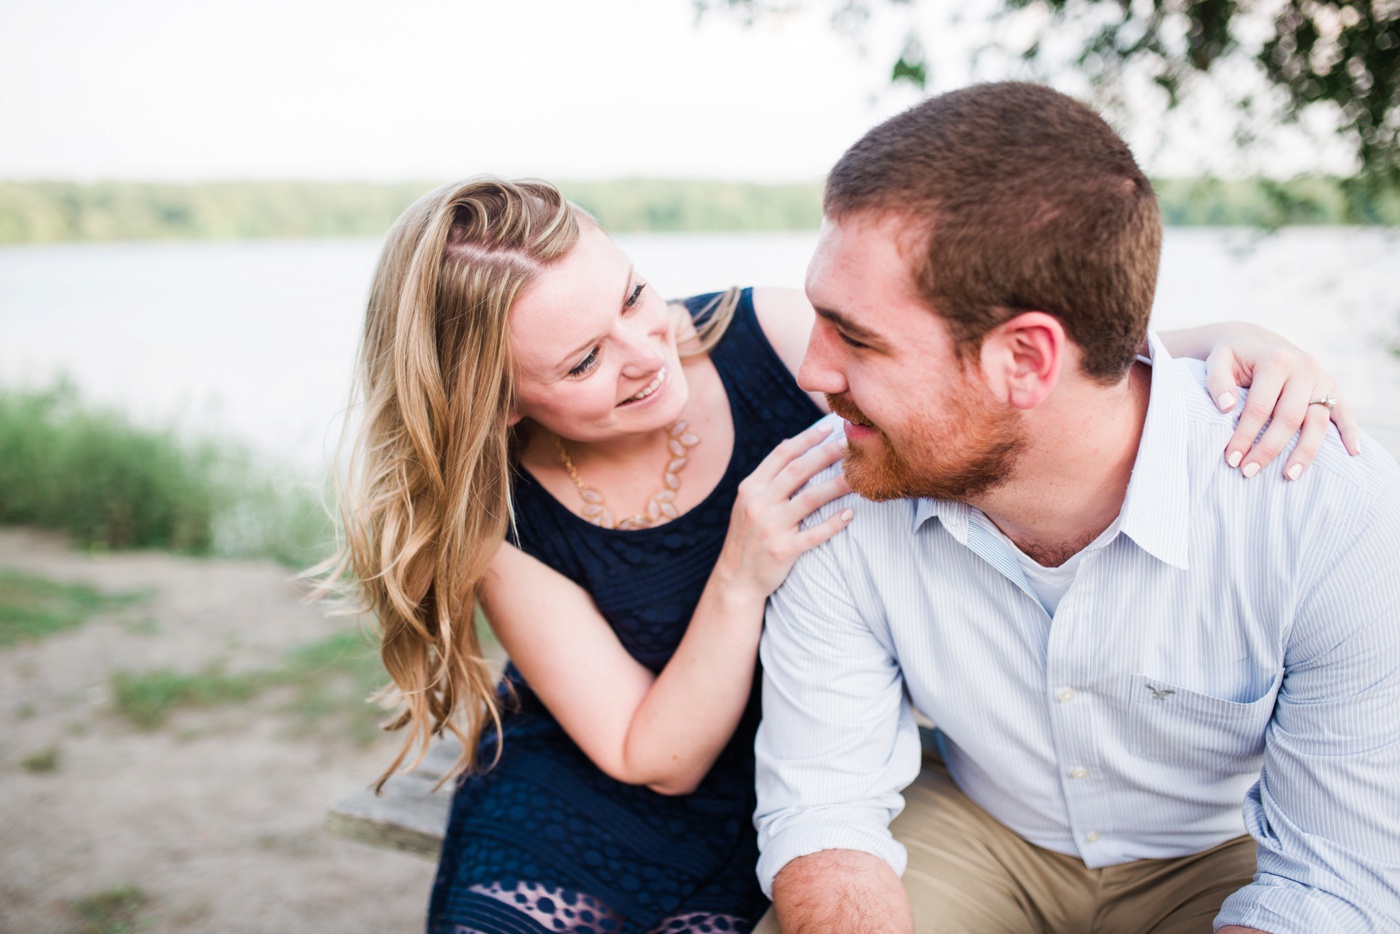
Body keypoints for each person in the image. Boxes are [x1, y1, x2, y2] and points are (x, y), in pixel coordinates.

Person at [323, 176, 1353, 934]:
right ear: (498, 401)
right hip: (598, 789)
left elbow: (992, 372)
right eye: (586, 359)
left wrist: (1233, 338)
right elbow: (653, 755)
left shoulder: (763, 335)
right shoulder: (499, 515)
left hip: (803, 761)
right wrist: (740, 570)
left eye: (633, 297)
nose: (647, 351)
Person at [753, 82, 1399, 934]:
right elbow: (824, 807)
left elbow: (1333, 883)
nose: (812, 373)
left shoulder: (1327, 514)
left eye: (857, 337)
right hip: (983, 834)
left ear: (1026, 358)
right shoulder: (840, 478)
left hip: (1229, 851)